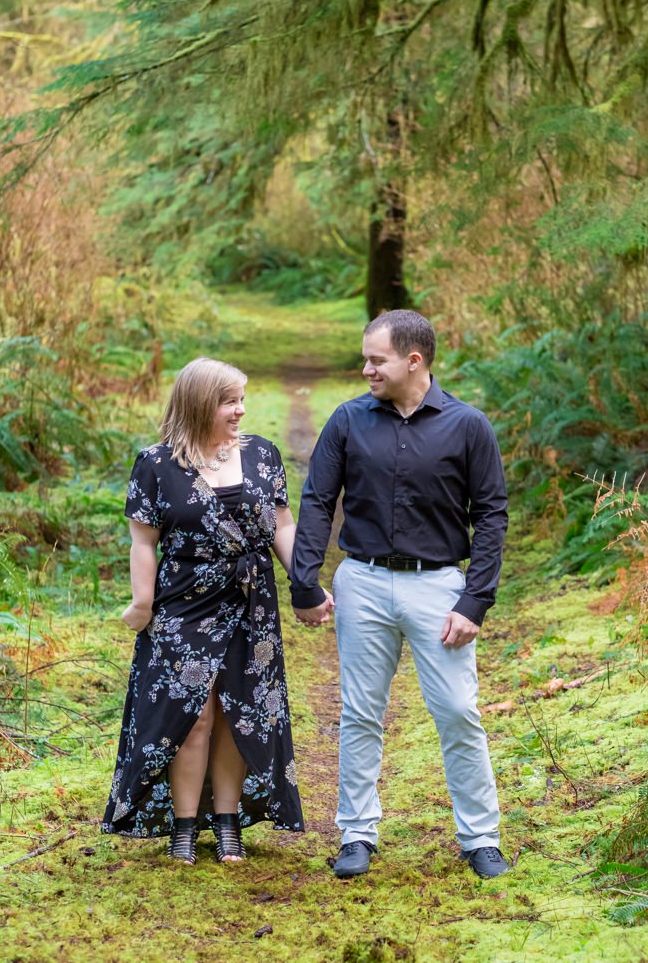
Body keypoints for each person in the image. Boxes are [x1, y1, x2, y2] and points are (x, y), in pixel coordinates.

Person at [290, 309, 510, 881]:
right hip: (361, 581)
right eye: (365, 358)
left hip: (439, 586)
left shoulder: (468, 427)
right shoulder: (347, 421)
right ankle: (357, 833)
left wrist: (475, 601)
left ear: (414, 361)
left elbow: (490, 515)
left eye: (376, 359)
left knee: (459, 712)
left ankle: (481, 838)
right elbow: (317, 500)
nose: (366, 369)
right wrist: (305, 581)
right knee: (361, 712)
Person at [103, 357, 304, 864]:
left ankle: (229, 824)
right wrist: (141, 602)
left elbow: (282, 524)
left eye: (242, 399)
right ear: (198, 404)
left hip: (249, 601)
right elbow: (143, 542)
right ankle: (185, 826)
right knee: (190, 716)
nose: (240, 410)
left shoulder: (262, 454)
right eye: (229, 401)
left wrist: (306, 583)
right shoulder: (155, 463)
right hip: (182, 603)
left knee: (240, 712)